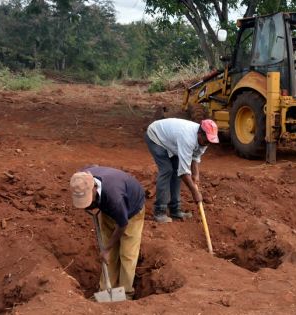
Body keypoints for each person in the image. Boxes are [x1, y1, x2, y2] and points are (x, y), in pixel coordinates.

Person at [69, 166, 145, 300]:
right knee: (108, 253)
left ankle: (126, 293)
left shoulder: (114, 197)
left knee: (127, 253)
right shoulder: (81, 178)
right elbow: (93, 166)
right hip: (107, 207)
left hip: (131, 209)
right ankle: (106, 290)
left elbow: (123, 224)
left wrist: (107, 249)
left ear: (93, 187)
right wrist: (107, 249)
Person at [145, 118, 219, 223]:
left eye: (210, 141)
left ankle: (175, 210)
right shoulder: (187, 138)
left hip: (172, 142)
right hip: (156, 136)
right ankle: (160, 212)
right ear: (200, 133)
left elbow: (195, 156)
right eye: (206, 140)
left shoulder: (205, 141)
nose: (207, 143)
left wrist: (196, 174)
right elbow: (184, 172)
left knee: (176, 172)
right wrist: (195, 192)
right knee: (167, 170)